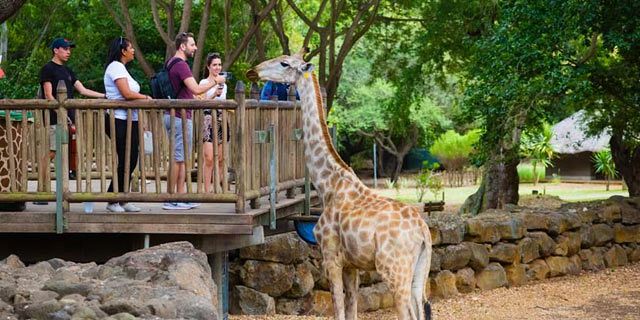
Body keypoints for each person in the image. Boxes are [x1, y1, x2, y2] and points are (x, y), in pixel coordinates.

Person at [162, 32, 221, 210]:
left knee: (182, 158)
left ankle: (180, 196)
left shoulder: (171, 63)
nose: (195, 48)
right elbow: (195, 88)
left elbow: (194, 93)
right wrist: (216, 81)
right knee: (178, 158)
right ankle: (170, 198)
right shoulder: (180, 65)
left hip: (178, 115)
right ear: (182, 46)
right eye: (192, 45)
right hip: (179, 116)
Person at [40, 37, 106, 179]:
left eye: (69, 49)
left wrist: (105, 96)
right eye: (65, 49)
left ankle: (62, 186)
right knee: (53, 150)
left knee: (68, 150)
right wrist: (61, 113)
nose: (68, 52)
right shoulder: (47, 69)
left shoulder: (68, 70)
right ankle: (42, 186)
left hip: (69, 118)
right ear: (55, 50)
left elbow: (82, 90)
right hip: (54, 118)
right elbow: (48, 95)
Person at [103, 37, 152, 213]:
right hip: (118, 119)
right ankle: (112, 199)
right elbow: (126, 93)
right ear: (123, 50)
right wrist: (145, 97)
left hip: (130, 120)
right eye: (131, 48)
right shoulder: (115, 67)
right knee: (125, 158)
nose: (133, 51)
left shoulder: (122, 68)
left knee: (131, 159)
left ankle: (123, 198)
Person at [199, 52, 227, 193]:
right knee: (209, 157)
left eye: (219, 65)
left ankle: (219, 187)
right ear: (208, 67)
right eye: (214, 65)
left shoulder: (224, 84)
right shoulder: (203, 83)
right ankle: (207, 190)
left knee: (221, 158)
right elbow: (201, 101)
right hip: (208, 119)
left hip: (221, 119)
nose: (217, 67)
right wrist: (213, 93)